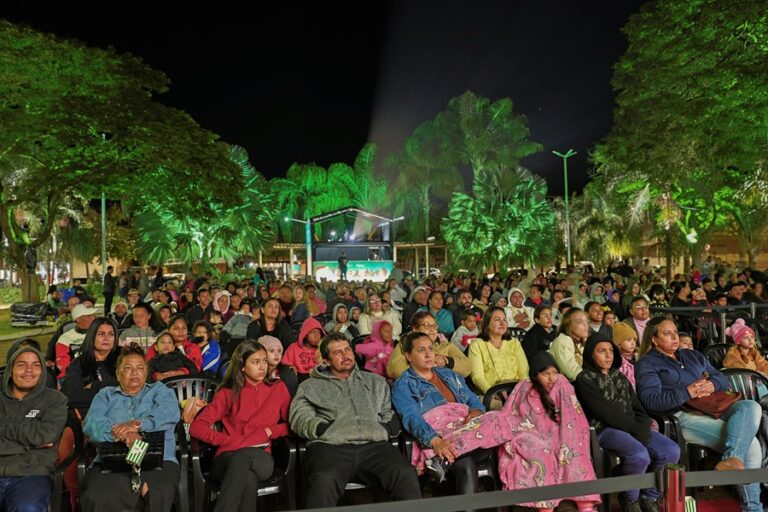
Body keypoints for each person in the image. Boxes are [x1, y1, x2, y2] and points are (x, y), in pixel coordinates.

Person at [635, 319, 764, 512]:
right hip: (681, 416)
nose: (674, 337)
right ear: (654, 339)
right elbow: (650, 400)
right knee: (751, 445)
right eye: (667, 333)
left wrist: (712, 384)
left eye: (675, 332)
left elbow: (720, 376)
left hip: (712, 406)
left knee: (750, 406)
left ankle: (732, 457)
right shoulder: (647, 363)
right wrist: (687, 392)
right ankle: (753, 508)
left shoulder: (691, 355)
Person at [289, 332, 421, 507]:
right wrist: (323, 429)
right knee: (324, 480)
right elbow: (299, 417)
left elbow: (387, 412)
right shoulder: (309, 386)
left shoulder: (376, 382)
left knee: (405, 474)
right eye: (337, 353)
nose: (345, 355)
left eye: (347, 350)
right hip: (330, 447)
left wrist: (386, 429)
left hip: (374, 446)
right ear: (326, 361)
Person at [392, 332, 509, 492]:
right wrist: (434, 440)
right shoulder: (404, 385)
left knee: (499, 417)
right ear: (408, 356)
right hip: (441, 434)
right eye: (421, 350)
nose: (428, 354)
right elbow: (411, 418)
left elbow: (471, 398)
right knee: (465, 463)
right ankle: (447, 457)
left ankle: (441, 462)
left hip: (467, 428)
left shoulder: (449, 375)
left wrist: (475, 411)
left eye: (431, 349)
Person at [575, 334, 679, 512]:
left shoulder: (619, 376)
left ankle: (649, 496)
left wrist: (643, 425)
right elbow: (605, 412)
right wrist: (635, 429)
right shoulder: (585, 379)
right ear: (590, 355)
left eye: (610, 351)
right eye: (601, 351)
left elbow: (636, 406)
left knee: (671, 451)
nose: (608, 356)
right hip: (604, 429)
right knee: (639, 455)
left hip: (632, 426)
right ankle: (630, 499)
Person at [189, 339, 291, 512]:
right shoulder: (228, 392)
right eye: (255, 362)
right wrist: (225, 440)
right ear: (242, 366)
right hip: (227, 457)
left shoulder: (278, 388)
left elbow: (292, 424)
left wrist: (270, 431)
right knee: (248, 479)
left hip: (261, 456)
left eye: (264, 361)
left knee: (243, 459)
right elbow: (196, 427)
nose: (262, 367)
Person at [80, 343, 181, 512]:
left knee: (155, 492)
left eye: (140, 368)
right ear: (118, 373)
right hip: (112, 459)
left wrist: (136, 425)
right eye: (128, 368)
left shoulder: (159, 390)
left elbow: (169, 413)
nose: (134, 373)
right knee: (97, 495)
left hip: (156, 458)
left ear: (146, 372)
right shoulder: (106, 395)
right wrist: (120, 434)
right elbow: (92, 423)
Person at [497, 352, 600, 511]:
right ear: (535, 375)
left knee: (575, 452)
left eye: (554, 373)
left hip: (563, 435)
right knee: (542, 456)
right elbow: (516, 418)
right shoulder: (525, 387)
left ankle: (585, 505)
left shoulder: (563, 384)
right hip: (535, 437)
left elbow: (574, 417)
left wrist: (562, 438)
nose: (552, 378)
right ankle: (546, 508)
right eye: (546, 374)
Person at [0, 344, 68, 512]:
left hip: (33, 474)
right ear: (10, 369)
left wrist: (4, 431)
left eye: (36, 365)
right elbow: (38, 439)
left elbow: (45, 437)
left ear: (43, 370)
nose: (29, 370)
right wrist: (29, 441)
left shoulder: (55, 400)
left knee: (27, 507)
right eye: (22, 364)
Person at [387, 311, 471, 380]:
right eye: (427, 326)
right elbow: (394, 371)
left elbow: (468, 367)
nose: (432, 330)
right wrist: (430, 361)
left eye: (434, 326)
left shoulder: (445, 345)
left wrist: (446, 361)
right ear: (415, 329)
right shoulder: (404, 344)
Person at [61, 317, 120, 413]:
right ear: (92, 336)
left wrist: (95, 386)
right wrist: (114, 388)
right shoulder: (79, 363)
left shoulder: (123, 360)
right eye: (101, 334)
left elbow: (131, 387)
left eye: (111, 334)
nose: (106, 338)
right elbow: (70, 397)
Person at [468, 307, 528, 394]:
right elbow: (477, 377)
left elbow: (524, 373)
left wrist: (521, 393)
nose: (502, 323)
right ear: (487, 324)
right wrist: (493, 393)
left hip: (517, 392)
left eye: (504, 319)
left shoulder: (514, 342)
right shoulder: (477, 345)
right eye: (497, 319)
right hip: (491, 394)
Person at [56, 303, 99, 379]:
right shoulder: (65, 338)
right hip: (73, 376)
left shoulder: (100, 334)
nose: (94, 318)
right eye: (89, 316)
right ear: (78, 319)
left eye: (94, 315)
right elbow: (62, 364)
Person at [548, 308, 590, 381]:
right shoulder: (563, 340)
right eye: (579, 322)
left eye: (587, 321)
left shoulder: (580, 342)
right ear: (568, 325)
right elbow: (574, 373)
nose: (585, 325)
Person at [612, 321, 638, 387]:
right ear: (619, 343)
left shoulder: (636, 357)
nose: (633, 343)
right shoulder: (615, 362)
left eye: (634, 340)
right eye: (629, 340)